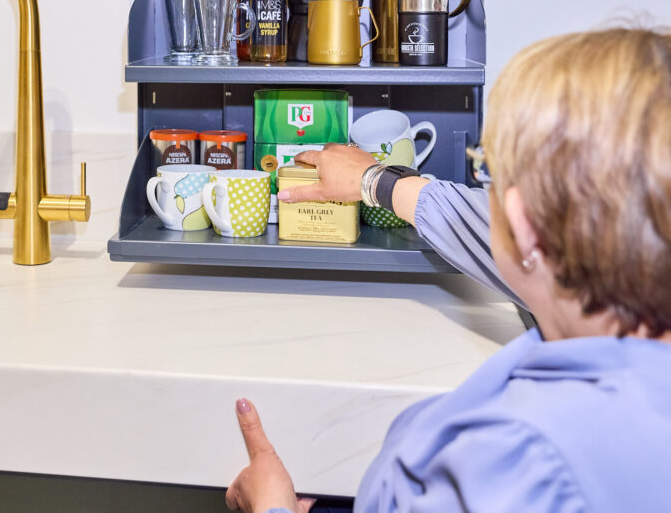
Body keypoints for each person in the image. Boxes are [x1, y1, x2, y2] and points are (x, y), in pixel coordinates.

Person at [225, 27, 671, 513]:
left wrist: (272, 509)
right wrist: (377, 181)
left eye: (489, 173)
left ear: (523, 224)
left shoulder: (525, 459)